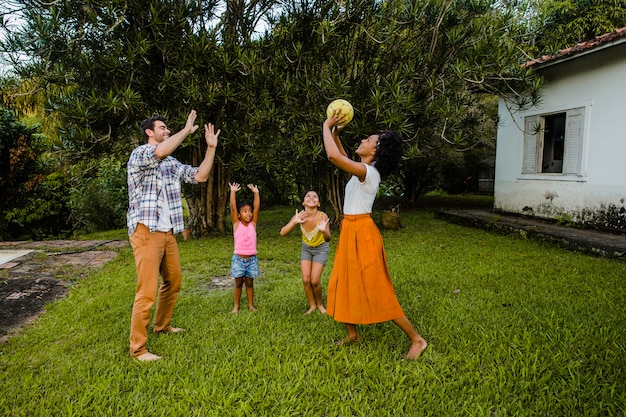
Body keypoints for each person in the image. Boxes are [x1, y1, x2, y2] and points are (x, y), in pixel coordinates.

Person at [322, 112, 428, 360]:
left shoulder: (369, 174)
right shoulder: (363, 171)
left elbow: (333, 156)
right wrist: (337, 134)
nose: (362, 140)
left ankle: (417, 339)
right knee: (343, 282)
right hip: (350, 230)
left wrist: (326, 126)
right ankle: (352, 334)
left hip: (362, 233)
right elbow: (344, 157)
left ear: (376, 151)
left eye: (368, 139)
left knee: (377, 288)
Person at [127, 110, 219, 361]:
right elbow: (159, 151)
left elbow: (199, 176)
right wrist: (186, 129)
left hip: (167, 232)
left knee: (173, 281)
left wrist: (210, 148)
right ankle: (138, 349)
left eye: (168, 128)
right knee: (146, 291)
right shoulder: (141, 154)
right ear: (149, 132)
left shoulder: (170, 163)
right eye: (163, 128)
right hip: (146, 229)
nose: (167, 131)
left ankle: (162, 325)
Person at [280, 190, 332, 314]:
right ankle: (312, 305)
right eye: (308, 196)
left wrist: (324, 230)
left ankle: (319, 304)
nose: (311, 198)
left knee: (314, 280)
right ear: (303, 202)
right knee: (306, 279)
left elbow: (328, 238)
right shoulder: (299, 216)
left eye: (315, 196)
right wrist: (294, 222)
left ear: (318, 203)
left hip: (321, 249)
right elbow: (282, 233)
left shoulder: (322, 216)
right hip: (307, 249)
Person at [229, 182, 261, 313]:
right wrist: (233, 192)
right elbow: (232, 208)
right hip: (238, 260)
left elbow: (257, 207)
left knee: (249, 283)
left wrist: (256, 193)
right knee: (238, 283)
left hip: (252, 260)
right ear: (238, 214)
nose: (248, 214)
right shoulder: (236, 224)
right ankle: (236, 306)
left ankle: (250, 304)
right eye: (245, 211)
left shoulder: (253, 224)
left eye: (250, 211)